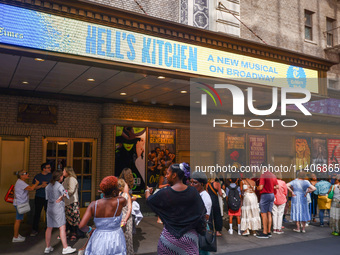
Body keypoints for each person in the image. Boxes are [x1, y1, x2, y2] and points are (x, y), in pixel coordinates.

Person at [146, 163, 206, 255]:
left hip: (168, 240)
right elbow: (201, 213)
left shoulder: (165, 192)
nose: (165, 176)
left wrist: (147, 192)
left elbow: (150, 201)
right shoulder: (193, 191)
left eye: (167, 173)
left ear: (174, 175)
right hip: (189, 239)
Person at [79, 176, 127, 255]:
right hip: (116, 238)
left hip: (99, 237)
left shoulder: (93, 204)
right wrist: (115, 192)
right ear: (115, 190)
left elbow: (81, 226)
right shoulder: (121, 201)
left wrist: (90, 229)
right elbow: (120, 198)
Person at [45, 170, 76, 254]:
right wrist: (62, 197)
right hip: (58, 208)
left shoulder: (48, 186)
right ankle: (65, 247)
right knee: (62, 227)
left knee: (49, 227)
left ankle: (47, 247)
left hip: (50, 208)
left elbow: (47, 198)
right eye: (62, 176)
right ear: (60, 177)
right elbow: (66, 196)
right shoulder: (59, 186)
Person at [12, 170, 40, 242]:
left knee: (19, 219)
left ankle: (17, 235)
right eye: (26, 173)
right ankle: (15, 237)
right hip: (20, 203)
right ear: (21, 175)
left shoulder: (20, 182)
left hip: (19, 203)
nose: (28, 174)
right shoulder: (21, 183)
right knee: (18, 220)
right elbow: (31, 188)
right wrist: (36, 183)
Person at [190, 171, 212, 255]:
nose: (192, 185)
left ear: (202, 184)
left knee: (201, 252)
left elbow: (206, 216)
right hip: (193, 228)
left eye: (195, 183)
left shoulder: (205, 196)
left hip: (201, 228)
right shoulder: (195, 194)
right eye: (191, 182)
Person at [31, 162, 52, 236]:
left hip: (48, 197)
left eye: (50, 167)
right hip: (39, 197)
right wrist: (41, 186)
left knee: (48, 213)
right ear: (44, 169)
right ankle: (35, 229)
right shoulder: (38, 176)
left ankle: (48, 229)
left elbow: (54, 186)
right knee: (37, 213)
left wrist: (47, 185)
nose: (50, 169)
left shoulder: (51, 176)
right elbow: (33, 187)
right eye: (48, 167)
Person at [256, 169, 279, 238]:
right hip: (271, 194)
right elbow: (277, 186)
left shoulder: (263, 175)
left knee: (263, 213)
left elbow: (260, 187)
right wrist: (271, 188)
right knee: (269, 213)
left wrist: (256, 188)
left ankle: (265, 232)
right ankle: (269, 231)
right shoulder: (273, 175)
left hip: (265, 195)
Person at [62, 166, 80, 241]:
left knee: (73, 218)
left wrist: (63, 194)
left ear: (67, 172)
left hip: (72, 202)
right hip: (67, 202)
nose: (63, 172)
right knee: (68, 218)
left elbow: (71, 190)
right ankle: (69, 232)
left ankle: (74, 233)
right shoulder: (66, 179)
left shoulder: (72, 179)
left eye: (64, 170)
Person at [118, 179, 133, 255]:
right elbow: (130, 209)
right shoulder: (126, 195)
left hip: (117, 219)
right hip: (126, 219)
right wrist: (125, 219)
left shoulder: (114, 196)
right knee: (128, 238)